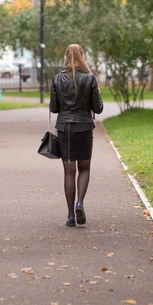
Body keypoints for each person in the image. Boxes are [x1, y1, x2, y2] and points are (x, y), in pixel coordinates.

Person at [49, 44, 104, 227]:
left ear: (66, 56)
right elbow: (98, 108)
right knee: (85, 169)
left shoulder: (57, 79)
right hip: (84, 127)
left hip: (65, 128)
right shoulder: (90, 79)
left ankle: (71, 215)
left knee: (69, 171)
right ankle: (80, 202)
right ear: (82, 56)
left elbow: (54, 108)